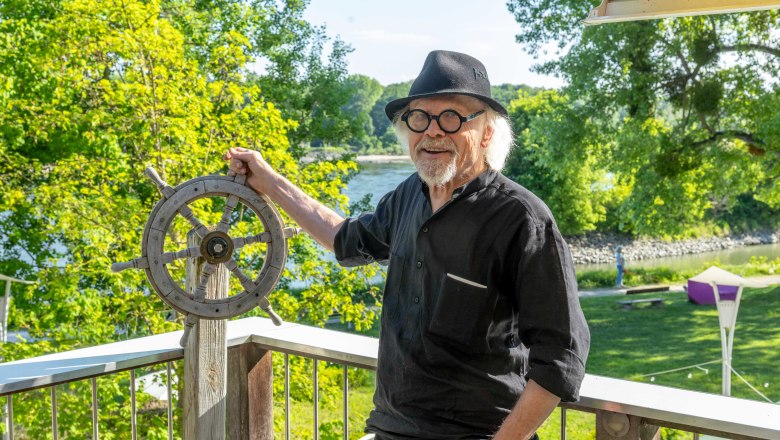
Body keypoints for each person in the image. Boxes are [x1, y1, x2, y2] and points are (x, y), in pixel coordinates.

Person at [225, 50, 589, 440]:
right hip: (388, 429)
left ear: (486, 132)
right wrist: (268, 182)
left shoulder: (522, 218)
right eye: (420, 118)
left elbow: (561, 357)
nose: (432, 131)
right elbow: (343, 238)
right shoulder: (406, 198)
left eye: (451, 117)